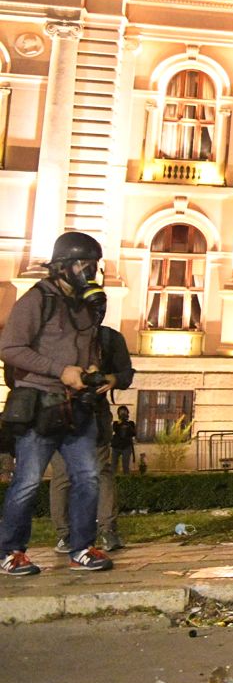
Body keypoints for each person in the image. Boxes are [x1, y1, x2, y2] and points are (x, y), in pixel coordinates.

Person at [0, 232, 116, 574]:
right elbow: (9, 348)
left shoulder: (86, 304)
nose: (90, 271)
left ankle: (82, 547)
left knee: (88, 477)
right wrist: (59, 370)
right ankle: (10, 552)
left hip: (76, 406)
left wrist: (94, 367)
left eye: (94, 264)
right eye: (84, 264)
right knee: (28, 482)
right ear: (63, 266)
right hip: (40, 405)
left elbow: (89, 346)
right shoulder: (36, 299)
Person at [48, 282, 133, 555]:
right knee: (63, 475)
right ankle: (65, 534)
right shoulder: (59, 338)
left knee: (101, 471)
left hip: (95, 413)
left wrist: (112, 379)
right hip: (62, 411)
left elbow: (126, 374)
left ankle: (107, 530)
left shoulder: (110, 339)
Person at [109, 406, 137, 475]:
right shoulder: (116, 423)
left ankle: (126, 482)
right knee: (113, 466)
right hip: (116, 446)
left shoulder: (131, 423)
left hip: (126, 446)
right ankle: (113, 481)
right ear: (118, 413)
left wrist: (126, 423)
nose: (123, 413)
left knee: (125, 466)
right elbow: (115, 429)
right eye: (121, 412)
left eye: (124, 411)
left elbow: (134, 433)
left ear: (127, 413)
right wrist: (121, 422)